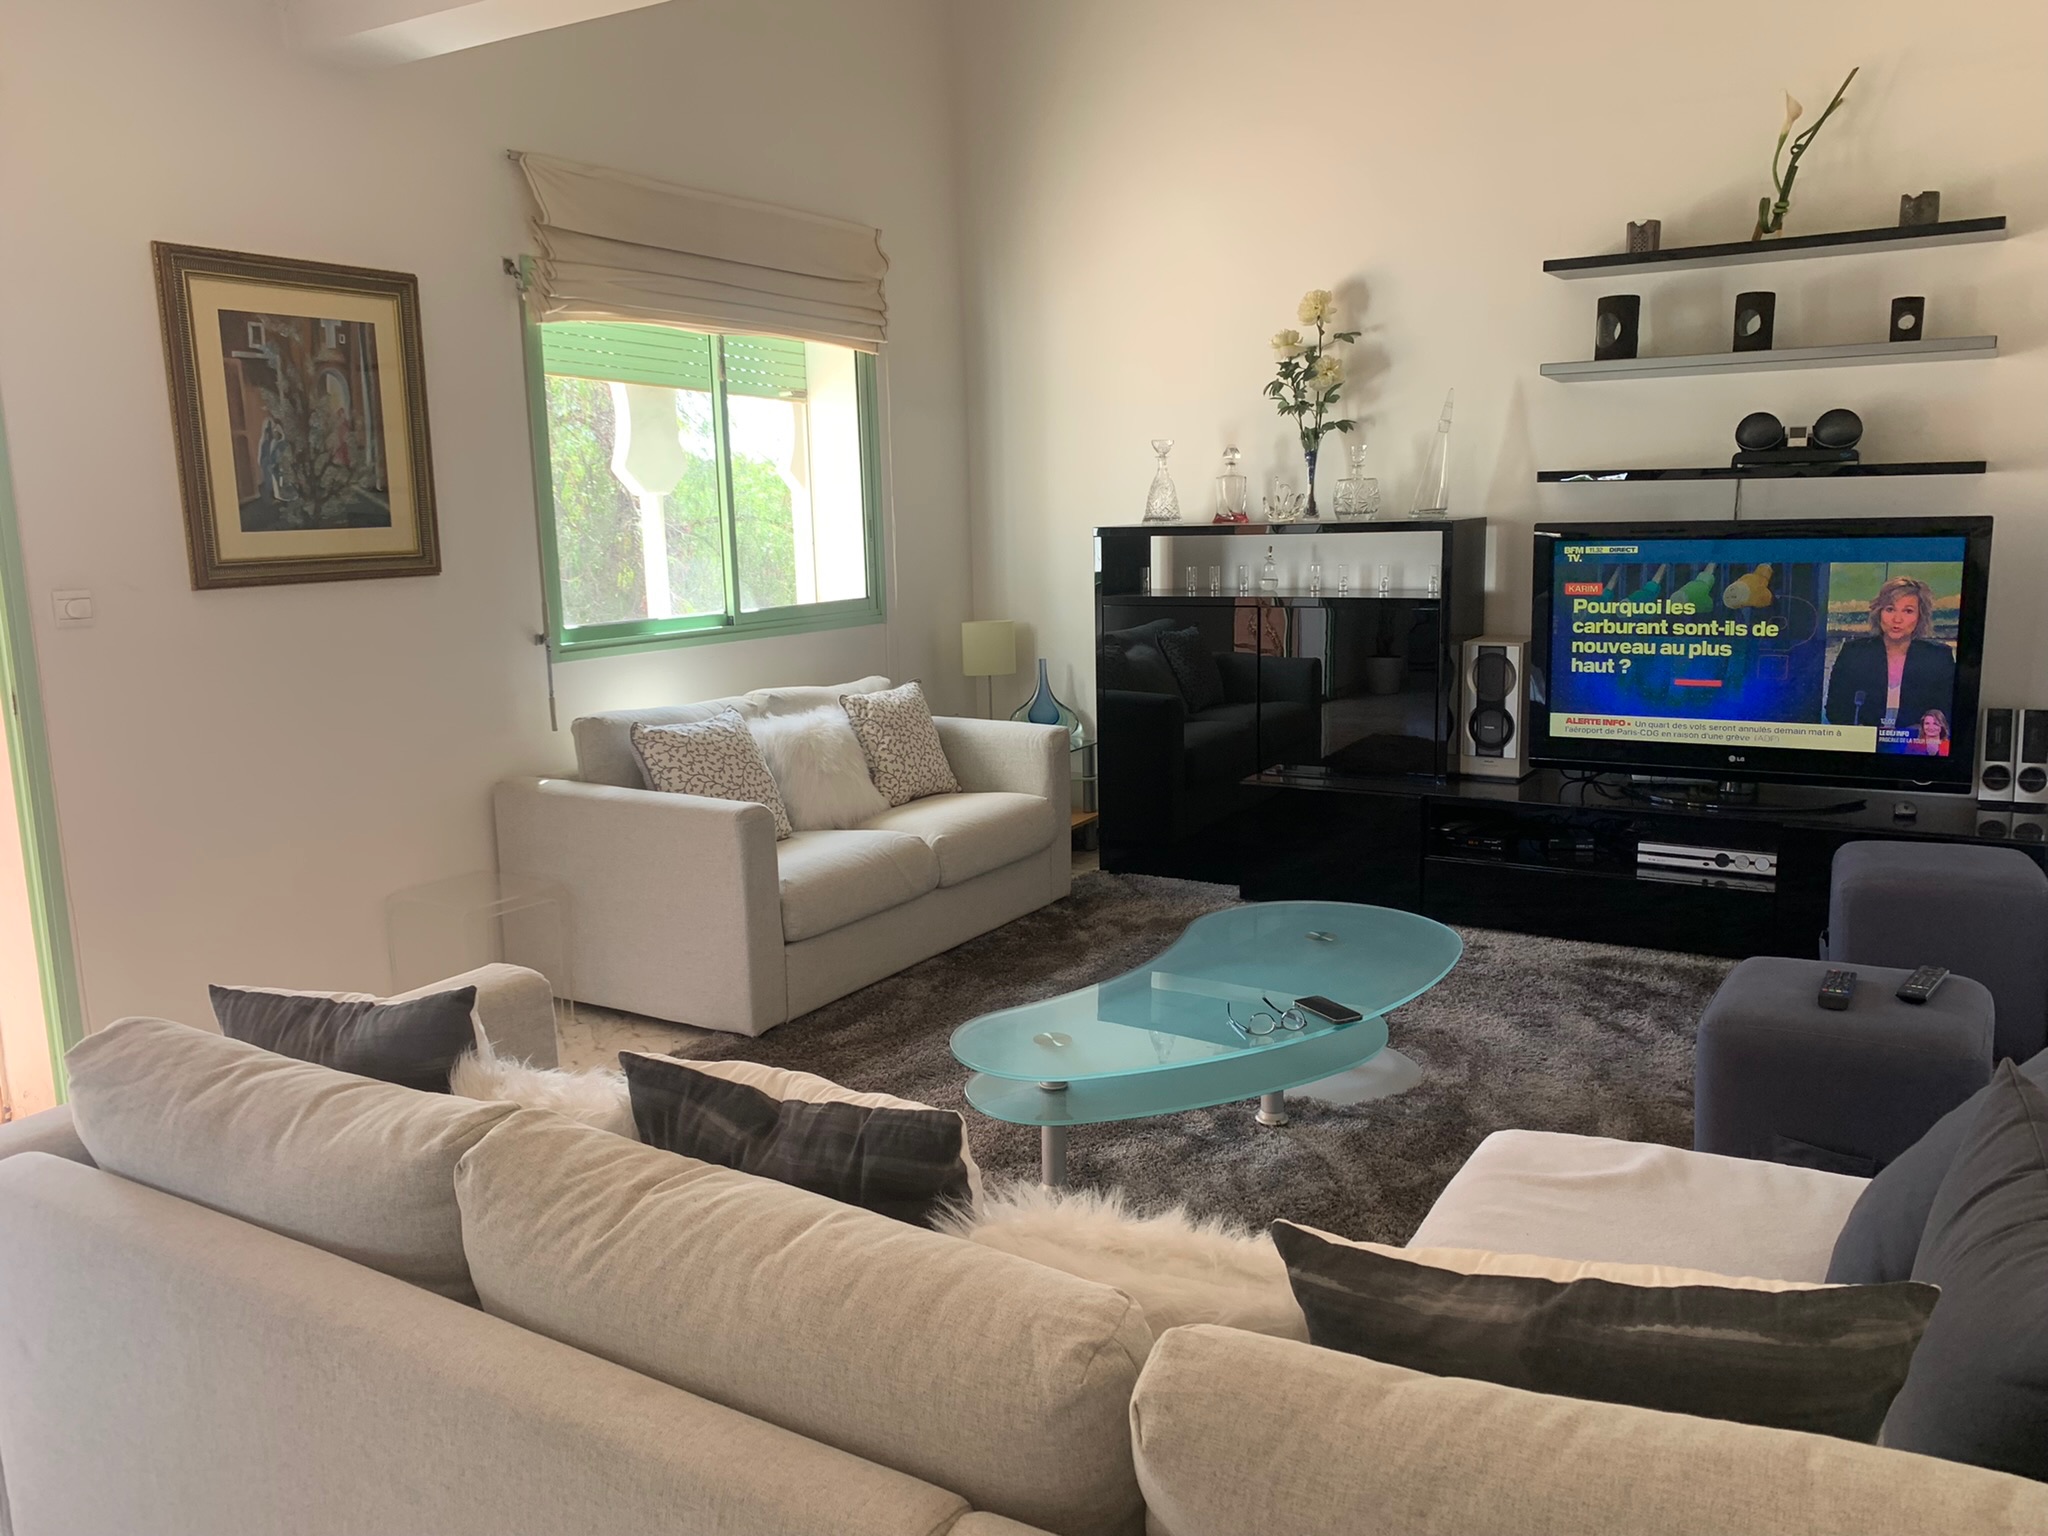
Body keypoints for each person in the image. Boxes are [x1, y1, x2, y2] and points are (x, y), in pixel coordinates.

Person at [1823, 576, 1955, 732]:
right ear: (1879, 613)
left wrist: (1916, 732)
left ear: (1920, 617)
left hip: (1917, 744)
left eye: (1908, 611)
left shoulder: (1938, 657)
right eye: (1890, 609)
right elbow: (1835, 709)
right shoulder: (1853, 653)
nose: (1897, 619)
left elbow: (1948, 711)